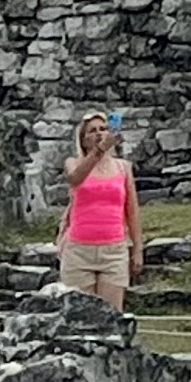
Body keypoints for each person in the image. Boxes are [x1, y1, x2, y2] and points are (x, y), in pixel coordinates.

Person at [57, 113, 142, 307]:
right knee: (80, 316)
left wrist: (137, 249)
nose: (99, 134)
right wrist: (99, 150)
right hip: (79, 251)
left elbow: (132, 210)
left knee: (111, 315)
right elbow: (75, 179)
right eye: (92, 131)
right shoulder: (73, 163)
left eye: (103, 129)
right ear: (83, 139)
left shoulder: (123, 167)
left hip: (113, 250)